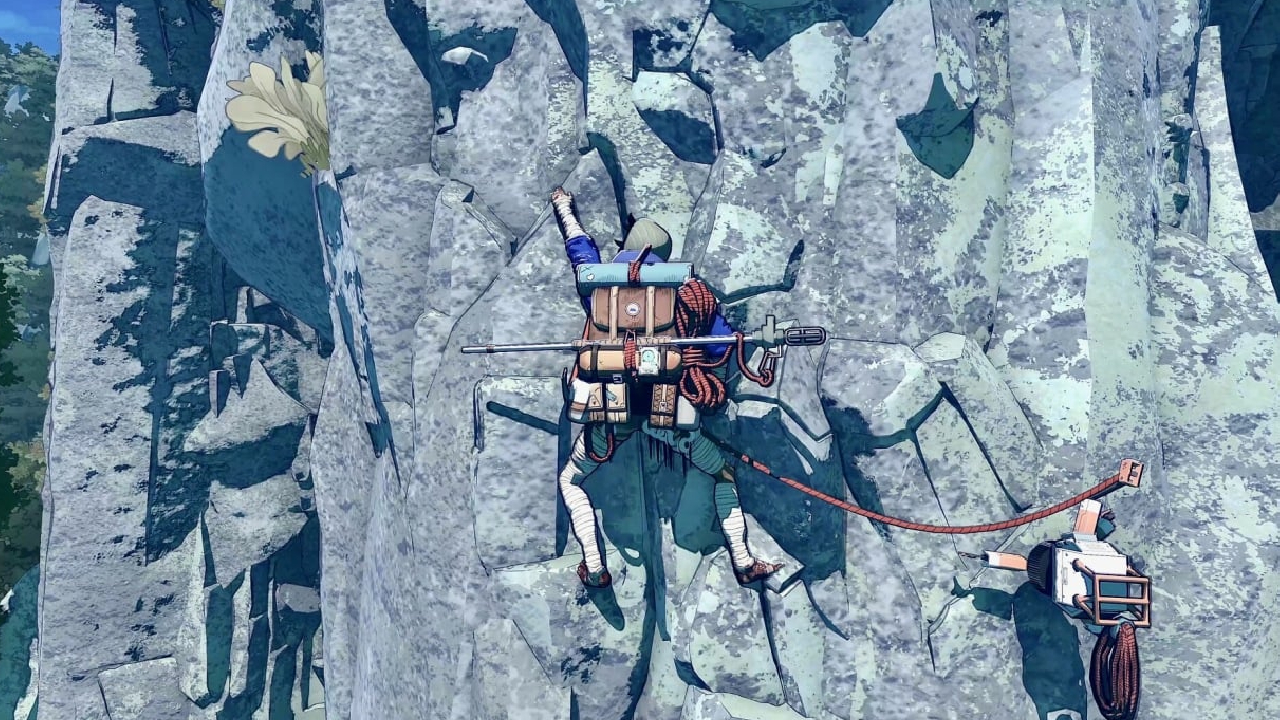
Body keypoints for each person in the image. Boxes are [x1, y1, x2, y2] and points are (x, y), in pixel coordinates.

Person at [550, 186, 782, 589]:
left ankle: (595, 565)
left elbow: (579, 250)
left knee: (570, 479)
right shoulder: (686, 294)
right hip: (667, 410)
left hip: (611, 412)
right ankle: (743, 561)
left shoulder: (602, 290)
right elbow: (721, 347)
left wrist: (564, 210)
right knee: (721, 472)